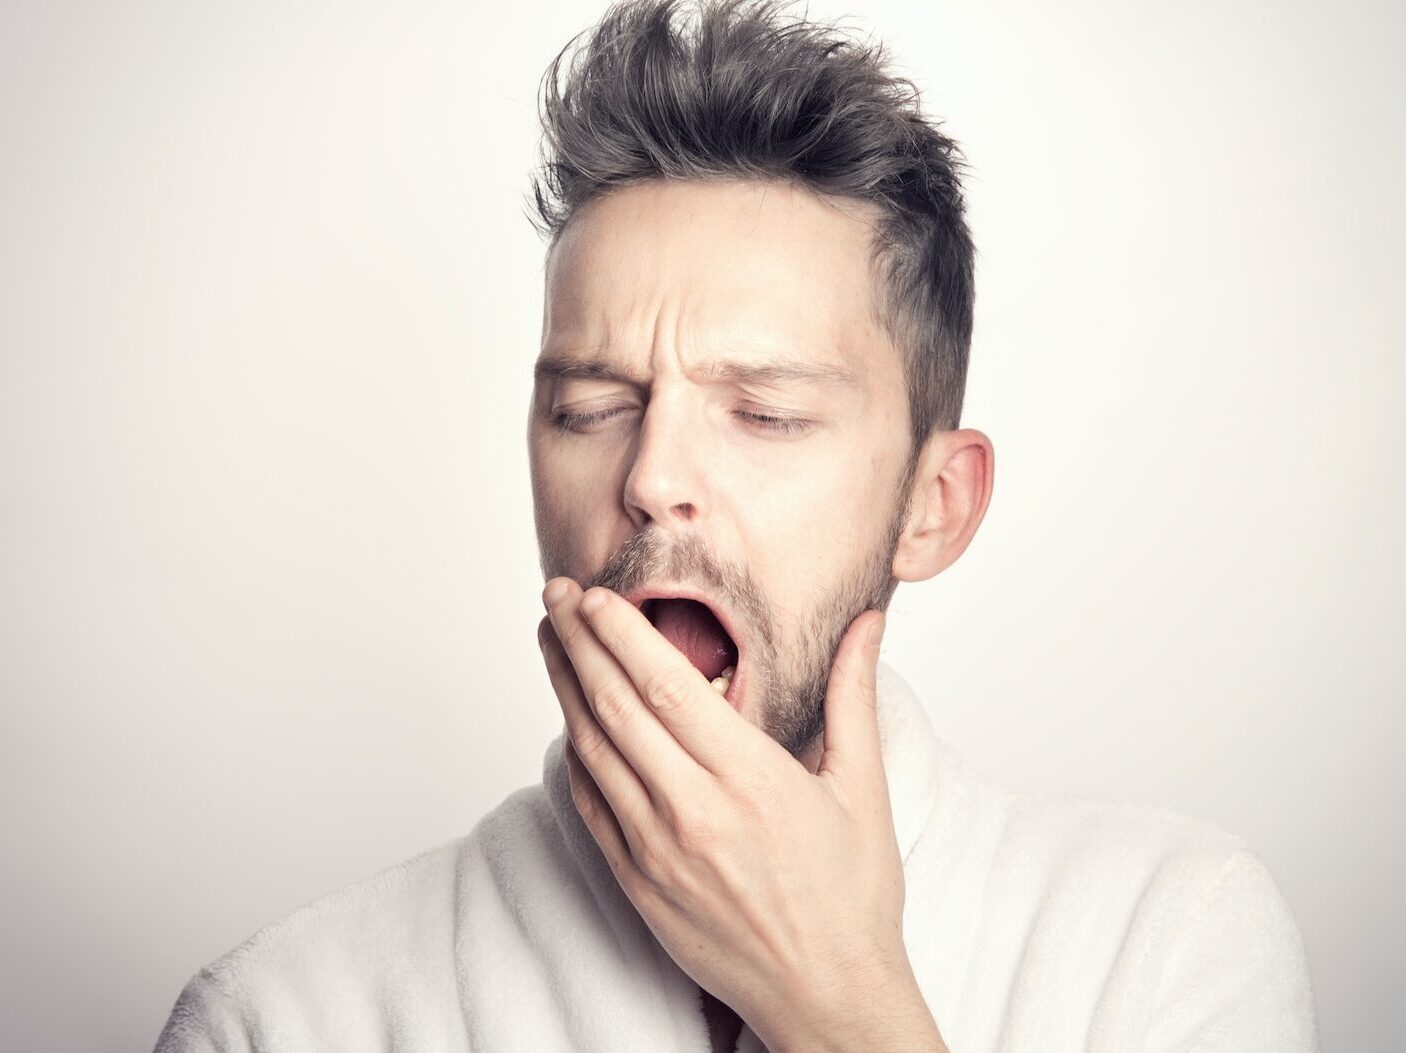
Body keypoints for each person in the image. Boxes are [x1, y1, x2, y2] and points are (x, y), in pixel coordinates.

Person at [153, 1, 1319, 1050]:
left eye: (762, 413)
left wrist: (834, 999)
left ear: (932, 507)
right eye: (589, 408)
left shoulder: (1166, 942)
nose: (652, 476)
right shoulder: (283, 1016)